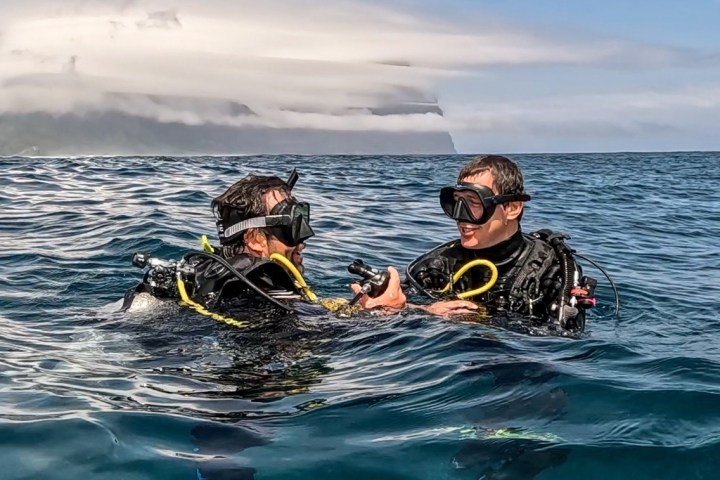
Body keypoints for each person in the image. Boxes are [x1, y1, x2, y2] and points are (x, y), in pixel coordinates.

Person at [351, 155, 598, 332]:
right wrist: (411, 310)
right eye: (456, 203)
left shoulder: (552, 268)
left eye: (473, 202)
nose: (461, 217)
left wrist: (482, 323)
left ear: (512, 208)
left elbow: (563, 339)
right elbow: (398, 310)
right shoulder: (437, 265)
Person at [122, 169, 405, 316]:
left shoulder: (212, 275)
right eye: (290, 226)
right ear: (256, 239)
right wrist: (381, 313)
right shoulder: (259, 287)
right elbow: (314, 334)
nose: (304, 239)